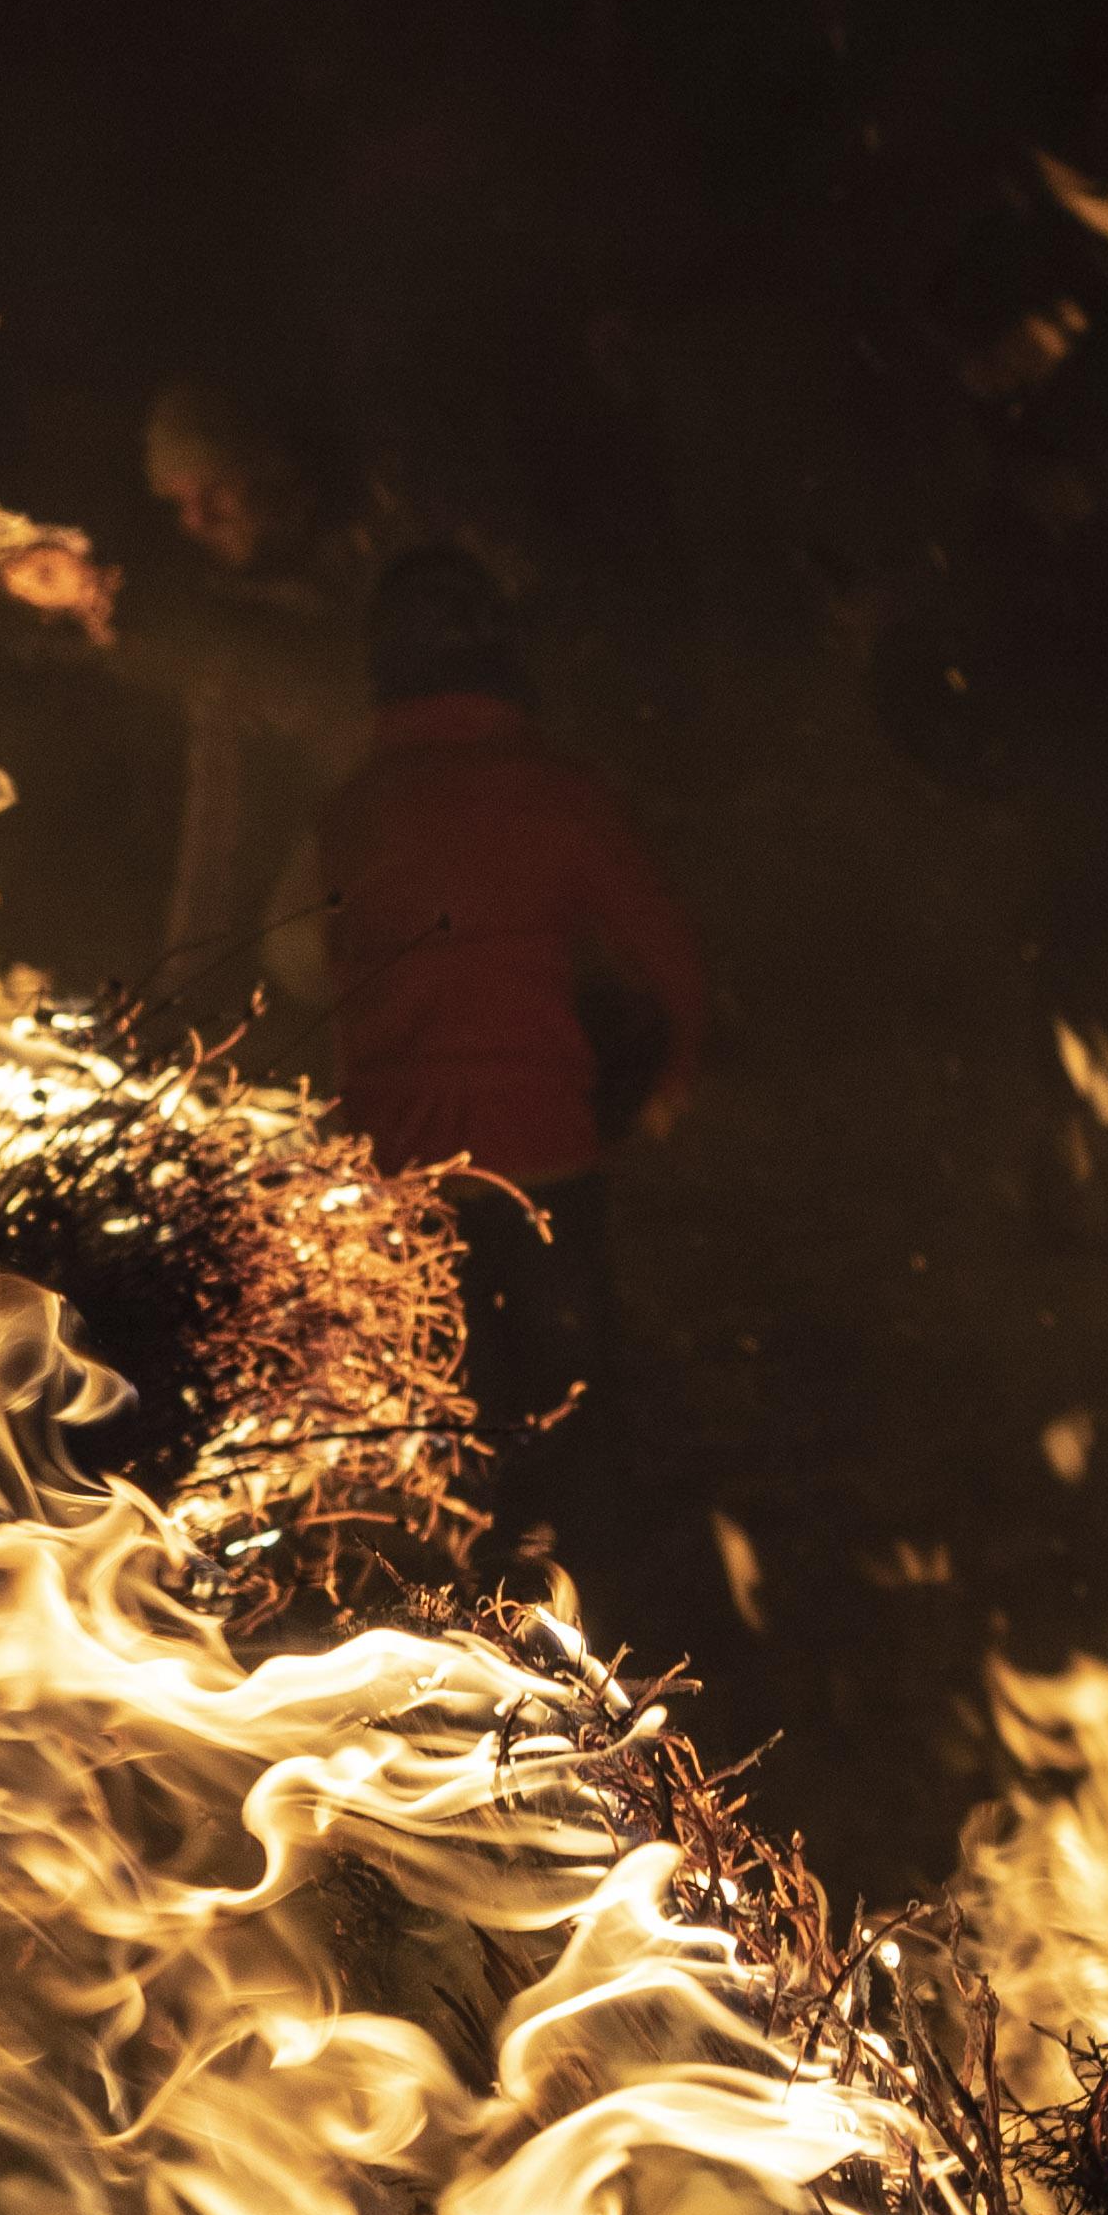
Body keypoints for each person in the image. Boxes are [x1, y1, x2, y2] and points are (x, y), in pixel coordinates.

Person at [266, 545, 703, 1545]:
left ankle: (467, 1631)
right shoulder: (557, 794)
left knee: (450, 1435)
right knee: (573, 1416)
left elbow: (294, 955)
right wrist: (664, 1077)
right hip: (543, 1153)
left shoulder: (349, 813)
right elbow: (668, 960)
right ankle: (594, 1626)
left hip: (402, 1169)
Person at [123, 377, 356, 994]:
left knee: (307, 942)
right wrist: (180, 979)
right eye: (179, 504)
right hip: (376, 803)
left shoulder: (369, 553)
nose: (196, 522)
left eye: (216, 492)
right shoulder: (253, 592)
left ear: (272, 474)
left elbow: (337, 701)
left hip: (469, 820)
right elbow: (220, 800)